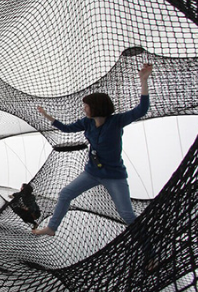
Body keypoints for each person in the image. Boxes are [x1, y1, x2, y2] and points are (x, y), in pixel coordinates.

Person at [32, 63, 153, 236]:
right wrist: (47, 116)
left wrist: (143, 80)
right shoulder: (87, 123)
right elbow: (66, 129)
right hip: (92, 173)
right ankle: (52, 228)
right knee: (65, 194)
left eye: (86, 106)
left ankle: (149, 250)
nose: (84, 108)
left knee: (126, 214)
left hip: (114, 175)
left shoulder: (116, 121)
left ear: (96, 107)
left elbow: (141, 110)